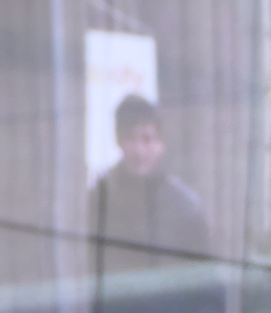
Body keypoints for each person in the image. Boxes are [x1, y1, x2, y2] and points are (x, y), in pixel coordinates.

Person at [91, 96, 224, 313]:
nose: (140, 150)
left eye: (148, 139)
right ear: (118, 141)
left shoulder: (185, 207)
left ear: (161, 144)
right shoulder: (99, 200)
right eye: (131, 138)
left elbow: (208, 289)